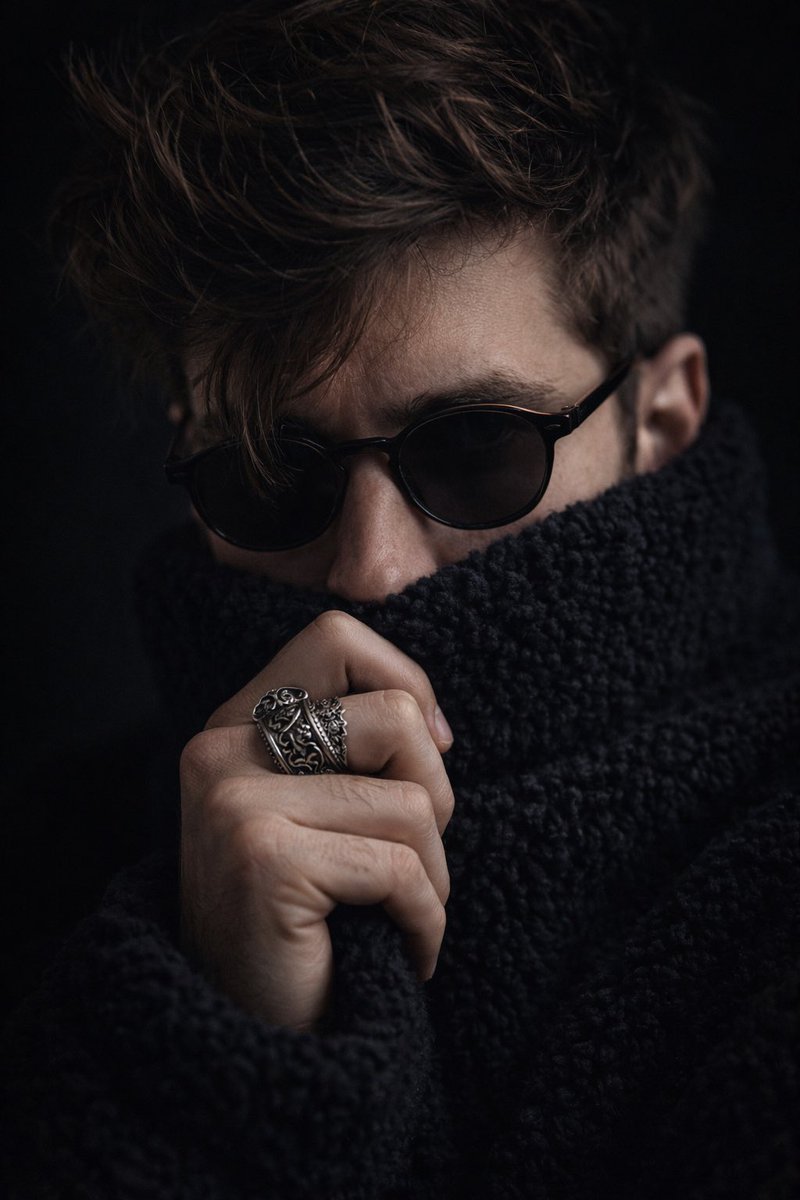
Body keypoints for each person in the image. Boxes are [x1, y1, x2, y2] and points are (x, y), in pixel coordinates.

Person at [3, 0, 798, 1196]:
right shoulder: (49, 874)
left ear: (665, 419)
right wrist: (220, 1030)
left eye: (476, 447)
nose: (370, 572)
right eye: (271, 474)